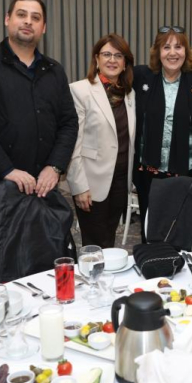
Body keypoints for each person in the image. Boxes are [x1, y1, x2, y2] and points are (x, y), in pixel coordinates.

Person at [0, 0, 78, 201]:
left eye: (36, 18)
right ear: (7, 19)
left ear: (43, 27)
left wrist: (55, 167)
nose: (28, 21)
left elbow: (68, 123)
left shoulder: (55, 70)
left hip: (45, 185)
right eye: (22, 15)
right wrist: (7, 170)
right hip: (0, 185)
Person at [133, 26, 192, 242]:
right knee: (150, 229)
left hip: (186, 171)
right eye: (166, 47)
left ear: (186, 51)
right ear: (158, 52)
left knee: (182, 229)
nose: (173, 53)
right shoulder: (141, 77)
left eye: (179, 47)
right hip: (148, 173)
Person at [66, 34, 135, 248]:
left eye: (118, 55)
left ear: (125, 63)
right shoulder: (80, 90)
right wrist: (79, 186)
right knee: (94, 243)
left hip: (120, 180)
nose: (112, 60)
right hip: (92, 182)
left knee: (109, 239)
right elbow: (73, 143)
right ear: (97, 59)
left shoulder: (129, 94)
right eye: (106, 54)